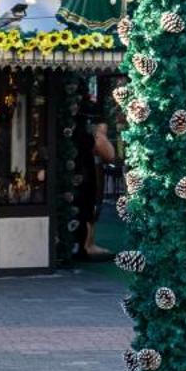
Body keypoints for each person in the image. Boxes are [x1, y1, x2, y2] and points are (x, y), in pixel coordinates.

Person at [71, 108, 115, 260]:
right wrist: (100, 134)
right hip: (83, 173)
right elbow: (109, 154)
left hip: (85, 171)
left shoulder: (86, 128)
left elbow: (108, 155)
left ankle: (87, 243)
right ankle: (86, 245)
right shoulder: (88, 130)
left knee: (88, 205)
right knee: (86, 205)